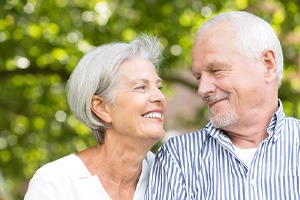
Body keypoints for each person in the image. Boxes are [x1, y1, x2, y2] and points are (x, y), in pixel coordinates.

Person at [145, 11, 300, 200]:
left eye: (216, 70)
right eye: (199, 77)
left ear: (267, 65)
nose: (202, 89)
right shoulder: (178, 157)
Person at [24, 34, 167, 200]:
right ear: (102, 108)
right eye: (141, 87)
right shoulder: (55, 183)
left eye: (159, 87)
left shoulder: (171, 177)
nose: (159, 97)